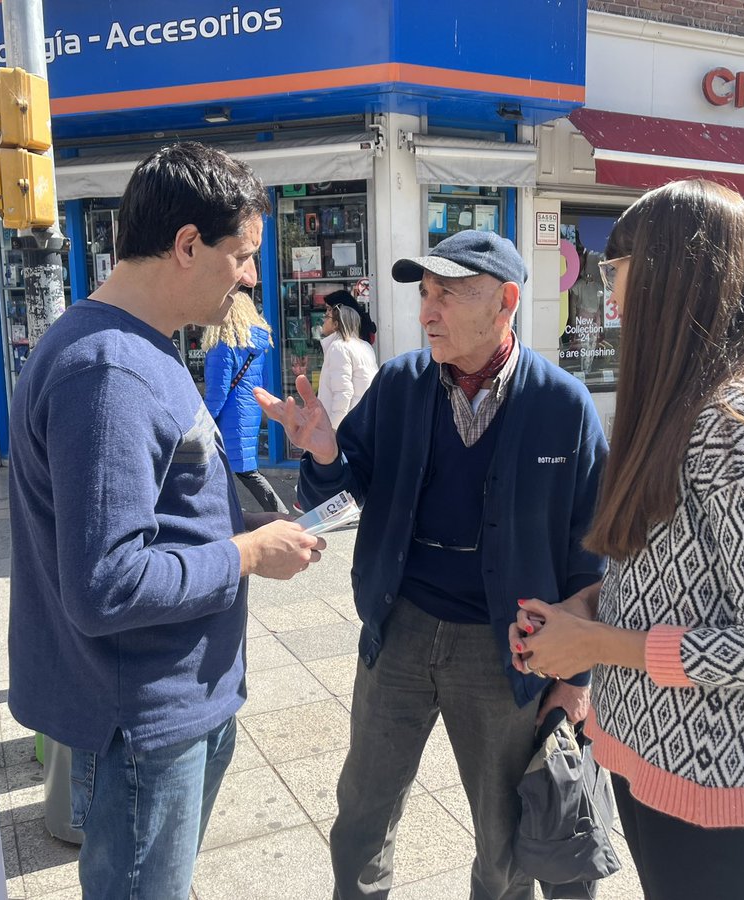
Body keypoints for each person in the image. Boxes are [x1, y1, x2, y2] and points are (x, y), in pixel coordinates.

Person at [511, 179, 744, 900]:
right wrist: (592, 605)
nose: (611, 291)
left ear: (672, 271)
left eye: (617, 268)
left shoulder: (739, 429)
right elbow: (687, 572)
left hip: (720, 783)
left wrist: (599, 647)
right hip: (653, 755)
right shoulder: (692, 403)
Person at [7, 142, 325, 900]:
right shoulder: (108, 371)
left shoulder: (131, 348)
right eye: (242, 255)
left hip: (163, 704)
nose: (251, 276)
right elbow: (107, 584)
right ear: (188, 245)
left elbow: (153, 516)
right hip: (143, 719)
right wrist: (247, 553)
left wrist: (245, 521)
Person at [256, 229, 608, 900]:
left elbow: (590, 549)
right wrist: (325, 455)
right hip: (401, 630)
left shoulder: (562, 406)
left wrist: (577, 674)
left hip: (510, 648)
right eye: (425, 292)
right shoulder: (401, 384)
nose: (426, 312)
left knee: (504, 844)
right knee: (362, 816)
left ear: (505, 301)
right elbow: (341, 493)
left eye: (449, 294)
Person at [203, 291, 289, 514]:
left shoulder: (223, 344)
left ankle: (279, 515)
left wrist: (204, 419)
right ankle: (274, 515)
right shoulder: (258, 345)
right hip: (248, 411)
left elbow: (217, 391)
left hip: (227, 416)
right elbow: (263, 383)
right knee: (241, 468)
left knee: (236, 471)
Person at [318, 290, 379, 428]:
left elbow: (343, 393)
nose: (323, 319)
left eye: (327, 313)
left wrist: (333, 430)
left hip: (346, 429)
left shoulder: (339, 348)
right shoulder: (365, 347)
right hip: (362, 423)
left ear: (336, 323)